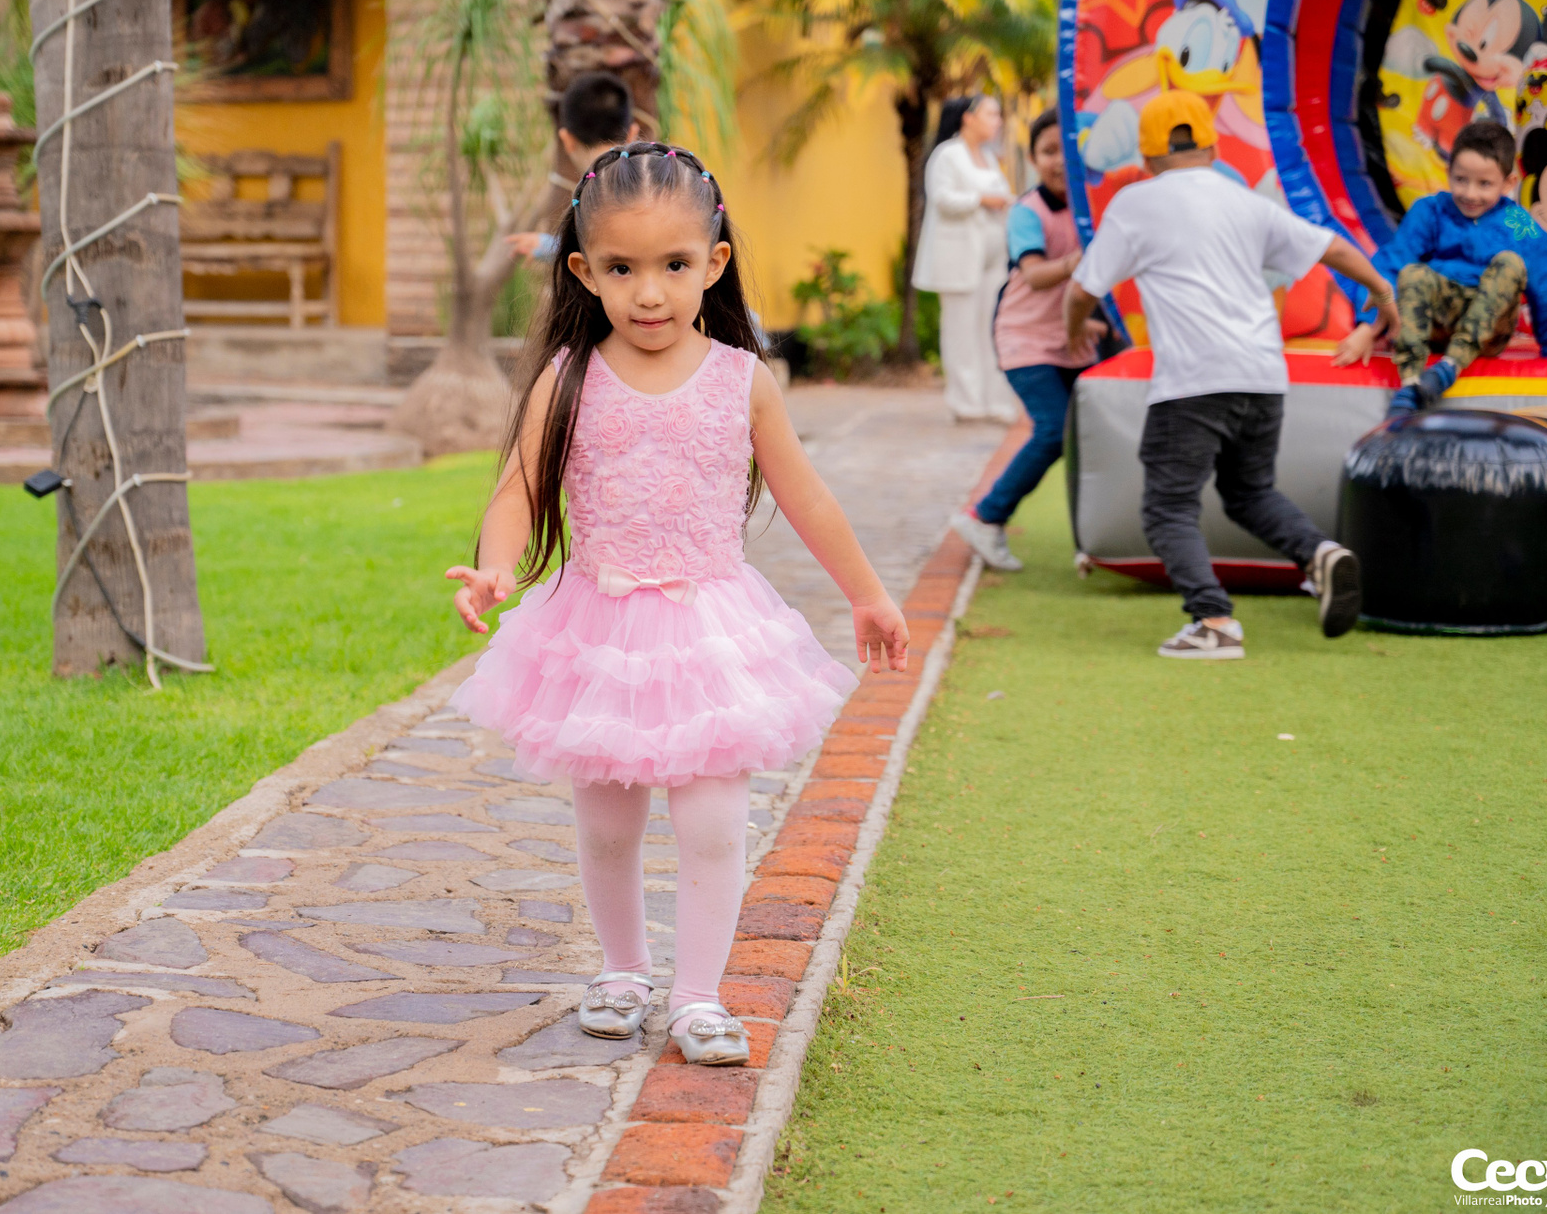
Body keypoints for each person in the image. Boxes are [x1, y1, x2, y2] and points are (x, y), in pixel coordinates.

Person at [446, 143, 909, 1065]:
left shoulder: (742, 379)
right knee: (607, 823)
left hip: (709, 629)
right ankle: (623, 970)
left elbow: (807, 497)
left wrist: (867, 593)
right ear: (584, 271)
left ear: (715, 262)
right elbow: (518, 491)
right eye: (621, 269)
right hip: (598, 632)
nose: (649, 292)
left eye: (673, 265)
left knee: (712, 823)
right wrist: (497, 568)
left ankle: (699, 995)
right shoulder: (568, 377)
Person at [1064, 91, 1397, 659]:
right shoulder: (1245, 203)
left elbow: (1082, 291)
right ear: (1214, 148)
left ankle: (1213, 620)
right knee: (1248, 492)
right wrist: (1383, 292)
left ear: (1146, 157)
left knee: (1167, 508)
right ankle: (1318, 552)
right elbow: (1333, 248)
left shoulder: (1136, 202)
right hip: (1263, 375)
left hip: (1193, 380)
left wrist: (1075, 331)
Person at [952, 108, 1106, 571]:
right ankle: (984, 516)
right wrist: (1079, 260)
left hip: (1074, 335)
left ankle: (1094, 539)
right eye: (1047, 151)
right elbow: (1036, 275)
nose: (1059, 160)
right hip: (1024, 338)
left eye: (1067, 149)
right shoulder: (1027, 211)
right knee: (1054, 429)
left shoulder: (1094, 206)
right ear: (1034, 159)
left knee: (1092, 437)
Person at [1334, 120, 1547, 411]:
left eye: (1484, 184)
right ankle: (1410, 382)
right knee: (1412, 273)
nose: (1470, 194)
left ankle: (1450, 367)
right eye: (1461, 179)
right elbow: (1390, 266)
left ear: (1508, 183)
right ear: (1448, 172)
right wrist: (1367, 328)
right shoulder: (1431, 210)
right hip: (1437, 325)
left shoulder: (1519, 224)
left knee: (1510, 264)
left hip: (1488, 330)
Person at [912, 95, 1023, 423]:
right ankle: (966, 404)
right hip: (959, 259)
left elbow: (1001, 197)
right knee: (961, 332)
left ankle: (995, 402)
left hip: (992, 258)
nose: (997, 121)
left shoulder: (988, 157)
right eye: (991, 114)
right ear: (968, 118)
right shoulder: (947, 155)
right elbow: (942, 198)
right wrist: (982, 199)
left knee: (990, 329)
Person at [505, 72, 645, 263]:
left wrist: (554, 248)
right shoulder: (653, 179)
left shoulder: (595, 192)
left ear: (567, 140)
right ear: (633, 133)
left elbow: (610, 255)